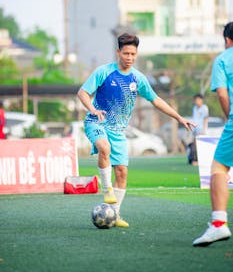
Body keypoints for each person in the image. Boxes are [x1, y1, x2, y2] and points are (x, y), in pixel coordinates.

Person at [77, 33, 195, 228]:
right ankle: (107, 190)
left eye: (133, 53)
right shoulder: (103, 72)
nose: (130, 57)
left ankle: (114, 214)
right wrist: (93, 109)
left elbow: (156, 100)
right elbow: (82, 93)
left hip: (118, 131)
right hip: (96, 122)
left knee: (122, 172)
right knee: (103, 147)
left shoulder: (138, 78)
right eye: (126, 53)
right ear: (118, 52)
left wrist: (179, 117)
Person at [193, 22, 233, 246]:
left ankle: (218, 224)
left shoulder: (224, 59)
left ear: (226, 39)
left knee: (218, 168)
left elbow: (222, 95)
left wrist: (229, 117)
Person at [187, 94, 209, 165]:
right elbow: (194, 119)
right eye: (195, 100)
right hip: (195, 130)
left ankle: (197, 160)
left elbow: (206, 119)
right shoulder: (194, 108)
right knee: (194, 145)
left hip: (201, 130)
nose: (196, 101)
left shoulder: (204, 108)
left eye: (198, 100)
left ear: (201, 100)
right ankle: (193, 159)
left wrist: (204, 130)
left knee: (199, 146)